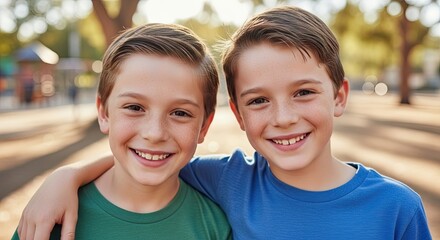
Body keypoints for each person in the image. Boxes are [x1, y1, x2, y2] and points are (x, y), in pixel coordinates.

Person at [17, 6, 432, 240]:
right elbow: (151, 158)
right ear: (237, 114)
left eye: (304, 92)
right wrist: (65, 177)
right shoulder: (227, 181)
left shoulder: (396, 209)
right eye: (258, 100)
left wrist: (65, 175)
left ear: (339, 95)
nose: (284, 118)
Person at [13, 22, 231, 240]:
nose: (154, 133)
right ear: (103, 113)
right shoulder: (49, 218)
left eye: (180, 113)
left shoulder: (214, 226)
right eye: (134, 108)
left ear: (204, 126)